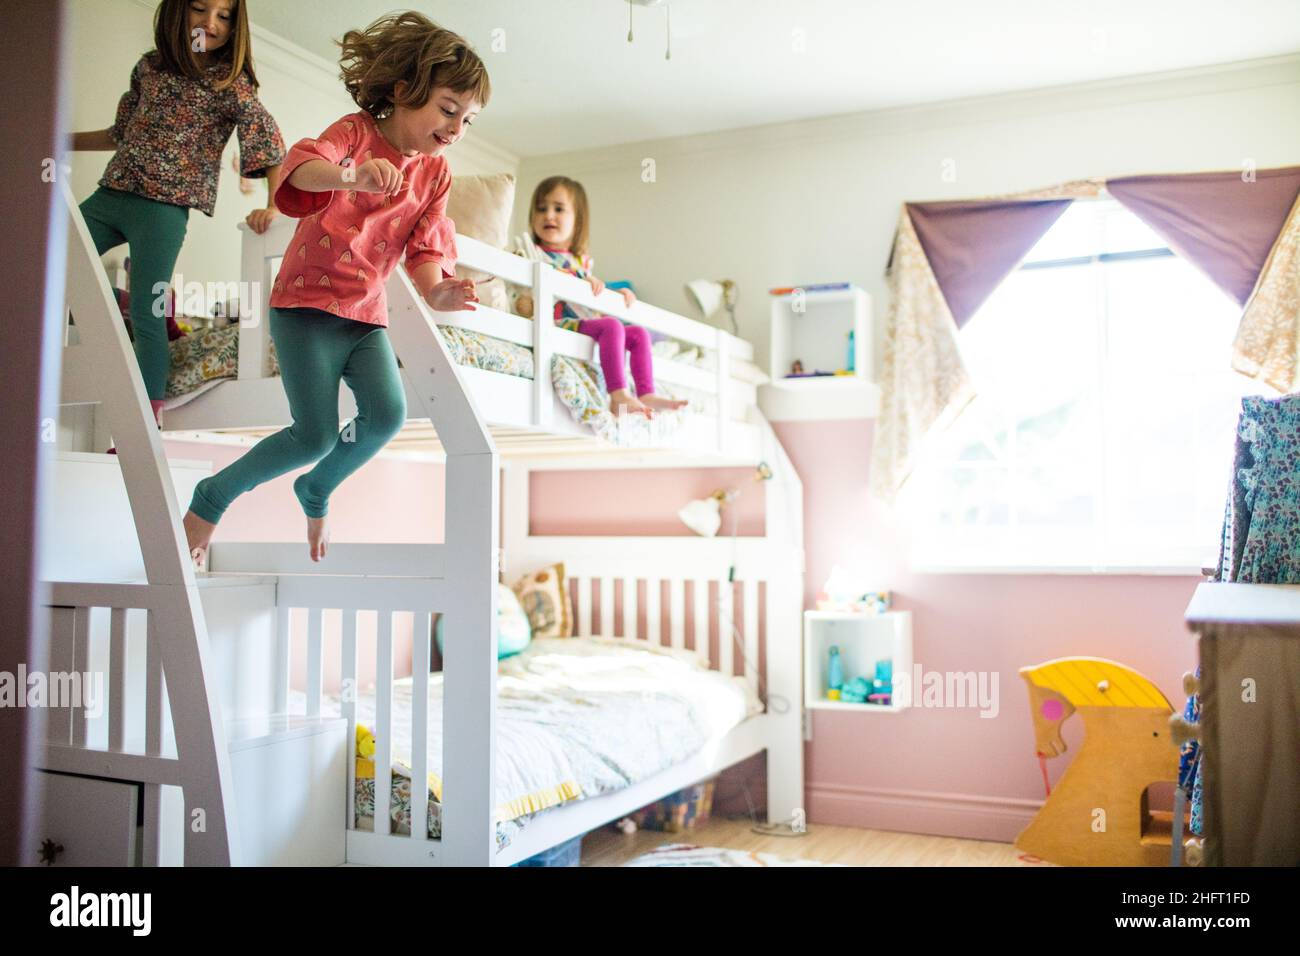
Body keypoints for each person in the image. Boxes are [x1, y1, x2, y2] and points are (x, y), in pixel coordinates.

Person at [182, 11, 487, 565]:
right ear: (402, 92)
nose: (457, 129)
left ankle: (316, 489)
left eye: (469, 121)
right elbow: (300, 171)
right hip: (304, 306)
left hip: (365, 315)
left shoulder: (436, 175)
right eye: (449, 110)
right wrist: (355, 175)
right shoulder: (355, 132)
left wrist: (436, 291)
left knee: (387, 415)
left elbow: (424, 247)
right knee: (314, 433)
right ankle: (211, 498)